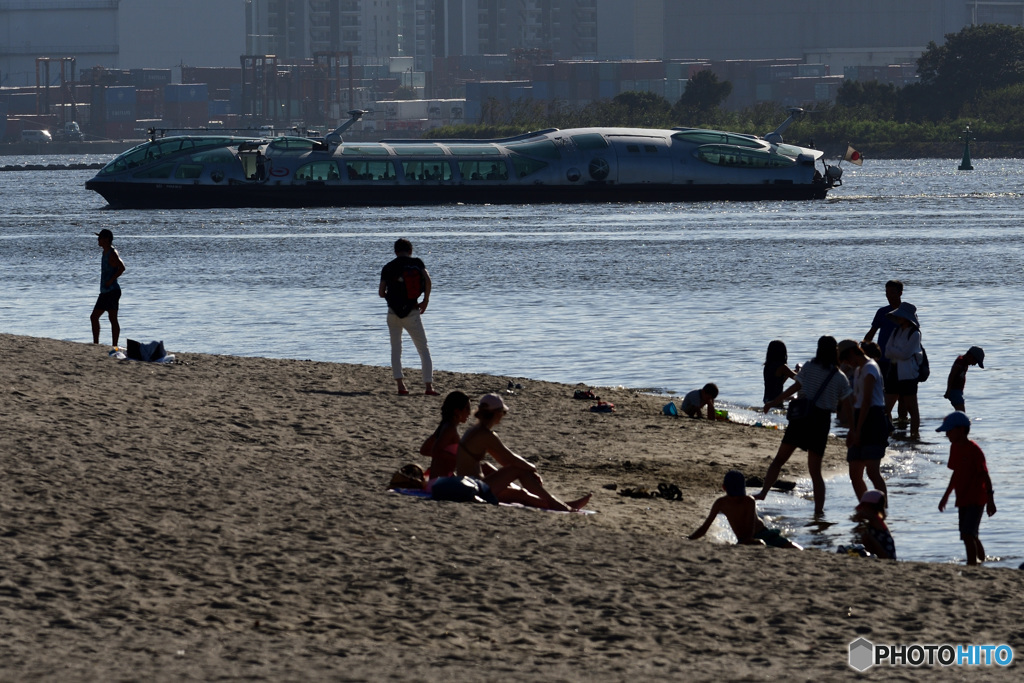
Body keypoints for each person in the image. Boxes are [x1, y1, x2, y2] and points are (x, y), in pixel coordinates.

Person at [756, 336, 853, 516]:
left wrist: (774, 402)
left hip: (802, 418)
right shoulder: (840, 377)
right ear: (835, 353)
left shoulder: (809, 367)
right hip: (821, 422)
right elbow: (848, 407)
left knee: (779, 460)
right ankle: (818, 512)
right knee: (815, 472)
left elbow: (794, 388)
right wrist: (854, 430)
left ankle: (763, 493)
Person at [456, 394, 591, 512]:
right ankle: (557, 504)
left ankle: (559, 503)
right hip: (474, 490)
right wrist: (532, 468)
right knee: (517, 472)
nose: (503, 417)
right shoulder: (486, 435)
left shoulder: (476, 430)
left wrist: (525, 468)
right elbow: (510, 459)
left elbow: (503, 460)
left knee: (493, 470)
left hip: (469, 486)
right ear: (496, 413)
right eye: (503, 413)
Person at [937, 411, 997, 566]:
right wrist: (946, 496)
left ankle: (972, 564)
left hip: (977, 498)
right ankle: (981, 561)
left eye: (949, 431)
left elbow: (985, 477)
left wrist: (990, 501)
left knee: (967, 533)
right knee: (969, 534)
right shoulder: (954, 448)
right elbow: (955, 474)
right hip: (962, 497)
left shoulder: (975, 451)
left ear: (961, 430)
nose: (947, 435)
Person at [379, 238, 436, 396]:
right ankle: (429, 387)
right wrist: (425, 300)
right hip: (412, 311)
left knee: (396, 348)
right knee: (423, 349)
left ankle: (401, 386)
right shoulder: (417, 263)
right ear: (410, 251)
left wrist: (392, 297)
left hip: (392, 313)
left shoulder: (388, 267)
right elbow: (428, 280)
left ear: (395, 251)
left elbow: (380, 293)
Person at [689, 470, 801, 548]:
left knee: (794, 548)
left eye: (740, 495)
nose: (738, 499)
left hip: (764, 534)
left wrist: (746, 541)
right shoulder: (720, 503)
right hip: (747, 540)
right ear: (724, 489)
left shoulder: (749, 501)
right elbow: (705, 527)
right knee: (760, 545)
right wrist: (690, 539)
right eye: (735, 496)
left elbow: (750, 530)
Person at [839, 340, 890, 504]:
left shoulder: (870, 368)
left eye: (846, 359)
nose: (846, 364)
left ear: (854, 353)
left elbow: (867, 401)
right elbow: (857, 400)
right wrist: (851, 429)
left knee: (873, 471)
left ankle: (882, 508)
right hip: (860, 417)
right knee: (855, 472)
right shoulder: (859, 370)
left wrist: (858, 430)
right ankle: (866, 505)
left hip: (874, 419)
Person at [864, 280, 905, 424]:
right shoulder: (882, 312)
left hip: (901, 361)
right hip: (882, 361)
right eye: (887, 293)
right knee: (882, 394)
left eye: (892, 292)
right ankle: (884, 422)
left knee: (903, 397)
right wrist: (863, 352)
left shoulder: (906, 312)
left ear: (900, 293)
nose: (889, 296)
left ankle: (902, 427)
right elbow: (871, 334)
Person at [883, 302, 923, 439]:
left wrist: (896, 352)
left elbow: (905, 354)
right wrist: (897, 352)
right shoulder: (896, 331)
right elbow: (887, 352)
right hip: (893, 371)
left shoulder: (915, 333)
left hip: (908, 374)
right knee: (886, 408)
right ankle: (888, 434)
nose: (899, 318)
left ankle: (914, 436)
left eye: (901, 316)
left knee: (912, 409)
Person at [421, 391, 472, 478]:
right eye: (467, 408)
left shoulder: (444, 426)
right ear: (457, 411)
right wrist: (457, 458)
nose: (469, 413)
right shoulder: (449, 429)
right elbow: (435, 451)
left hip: (443, 480)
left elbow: (425, 450)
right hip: (441, 484)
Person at [90, 228, 126, 347]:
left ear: (106, 239)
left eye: (100, 238)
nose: (98, 240)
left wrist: (111, 280)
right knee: (94, 317)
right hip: (105, 291)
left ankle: (114, 346)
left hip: (112, 291)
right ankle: (96, 344)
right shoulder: (104, 252)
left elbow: (122, 267)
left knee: (112, 318)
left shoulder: (112, 252)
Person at [853, 489, 896, 560]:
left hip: (886, 557)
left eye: (864, 507)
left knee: (866, 536)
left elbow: (868, 516)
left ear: (870, 508)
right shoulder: (874, 521)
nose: (861, 510)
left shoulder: (876, 520)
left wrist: (859, 517)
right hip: (883, 554)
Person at [944, 346, 985, 412]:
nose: (974, 364)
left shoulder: (965, 363)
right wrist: (948, 390)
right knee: (962, 412)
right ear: (971, 356)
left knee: (960, 413)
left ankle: (956, 421)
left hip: (958, 391)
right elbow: (952, 375)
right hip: (954, 391)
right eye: (975, 362)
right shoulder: (960, 362)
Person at [763, 340, 797, 404]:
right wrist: (801, 370)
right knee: (797, 398)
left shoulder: (767, 366)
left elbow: (777, 383)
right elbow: (798, 378)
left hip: (767, 399)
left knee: (792, 398)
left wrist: (788, 374)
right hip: (776, 400)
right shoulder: (782, 367)